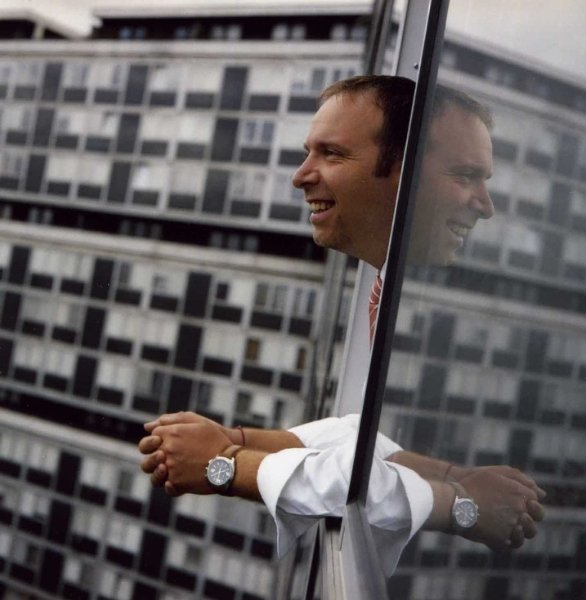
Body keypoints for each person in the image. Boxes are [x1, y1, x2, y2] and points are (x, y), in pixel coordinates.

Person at [138, 76, 545, 570]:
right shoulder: (388, 286)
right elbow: (359, 441)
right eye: (466, 177)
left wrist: (222, 466)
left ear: (407, 171)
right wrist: (233, 440)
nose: (301, 175)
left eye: (330, 154)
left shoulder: (456, 309)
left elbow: (358, 490)